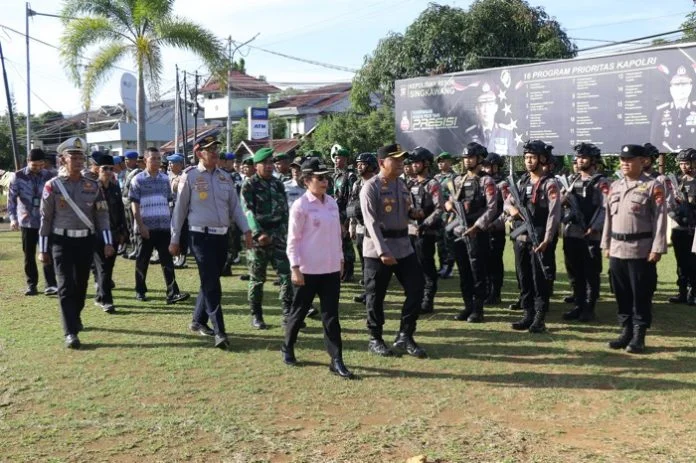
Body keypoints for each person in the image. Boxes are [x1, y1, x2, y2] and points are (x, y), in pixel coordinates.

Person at [170, 134, 251, 349]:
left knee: (210, 279)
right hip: (200, 237)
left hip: (221, 237)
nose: (215, 152)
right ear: (199, 153)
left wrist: (246, 230)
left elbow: (236, 208)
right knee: (212, 284)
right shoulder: (190, 176)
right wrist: (175, 239)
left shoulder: (225, 177)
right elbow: (179, 211)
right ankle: (220, 331)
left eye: (216, 148)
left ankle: (198, 320)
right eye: (210, 149)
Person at [38, 137, 113, 348]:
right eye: (74, 157)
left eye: (81, 157)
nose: (79, 161)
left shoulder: (93, 186)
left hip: (85, 241)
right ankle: (70, 332)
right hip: (61, 241)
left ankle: (75, 316)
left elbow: (102, 216)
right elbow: (46, 219)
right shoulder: (53, 186)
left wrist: (107, 242)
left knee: (81, 285)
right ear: (63, 159)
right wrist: (43, 249)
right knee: (65, 286)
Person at [282, 158, 354, 378]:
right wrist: (295, 267)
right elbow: (293, 240)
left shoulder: (331, 202)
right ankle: (288, 346)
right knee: (298, 312)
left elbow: (337, 235)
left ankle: (336, 359)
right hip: (307, 270)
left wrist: (340, 259)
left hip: (330, 269)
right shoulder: (301, 206)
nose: (324, 182)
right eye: (319, 178)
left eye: (326, 178)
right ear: (306, 181)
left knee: (331, 316)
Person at [360, 143, 427, 358]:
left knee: (417, 288)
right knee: (375, 296)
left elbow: (404, 210)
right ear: (382, 162)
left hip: (403, 246)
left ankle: (405, 335)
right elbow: (370, 223)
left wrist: (413, 213)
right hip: (378, 250)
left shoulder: (401, 184)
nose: (400, 163)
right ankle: (375, 338)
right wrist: (382, 251)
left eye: (401, 159)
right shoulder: (371, 187)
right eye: (395, 159)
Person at [602, 144, 668, 353]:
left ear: (643, 161)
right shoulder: (615, 186)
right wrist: (606, 244)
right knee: (620, 292)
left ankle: (639, 335)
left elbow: (660, 219)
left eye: (629, 159)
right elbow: (608, 218)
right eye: (622, 159)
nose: (625, 163)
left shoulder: (653, 186)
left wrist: (657, 248)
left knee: (641, 293)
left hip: (640, 249)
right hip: (617, 248)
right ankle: (626, 331)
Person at [505, 140, 561, 333]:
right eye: (526, 157)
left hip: (539, 239)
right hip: (521, 238)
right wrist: (511, 210)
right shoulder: (521, 182)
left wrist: (547, 239)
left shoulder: (549, 184)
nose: (528, 161)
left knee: (540, 280)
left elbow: (554, 214)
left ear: (542, 159)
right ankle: (527, 314)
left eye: (532, 157)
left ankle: (539, 317)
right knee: (524, 278)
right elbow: (507, 202)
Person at [240, 147, 294, 329]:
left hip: (278, 236)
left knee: (286, 275)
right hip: (259, 239)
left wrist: (285, 233)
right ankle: (256, 315)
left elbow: (285, 211)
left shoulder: (278, 184)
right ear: (256, 166)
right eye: (265, 163)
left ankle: (287, 314)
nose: (269, 166)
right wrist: (258, 233)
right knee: (257, 278)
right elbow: (247, 211)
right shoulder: (249, 185)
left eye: (271, 162)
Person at [445, 142, 499, 322]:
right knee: (464, 271)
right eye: (465, 158)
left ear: (479, 159)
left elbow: (492, 208)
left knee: (478, 271)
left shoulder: (486, 181)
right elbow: (450, 201)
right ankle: (467, 306)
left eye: (471, 157)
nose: (467, 161)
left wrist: (477, 226)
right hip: (460, 231)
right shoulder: (458, 181)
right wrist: (449, 205)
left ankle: (478, 309)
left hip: (477, 232)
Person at [129, 147, 189, 304]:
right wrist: (141, 225)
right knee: (142, 260)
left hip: (163, 228)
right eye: (153, 158)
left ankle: (172, 292)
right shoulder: (137, 180)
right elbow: (134, 205)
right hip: (145, 228)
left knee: (167, 260)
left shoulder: (164, 179)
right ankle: (140, 290)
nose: (156, 161)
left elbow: (169, 202)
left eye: (158, 158)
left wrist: (172, 226)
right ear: (145, 160)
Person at [560, 143, 609, 322]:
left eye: (584, 157)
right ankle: (578, 304)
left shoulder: (601, 182)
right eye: (578, 157)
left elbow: (605, 207)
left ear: (593, 160)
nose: (580, 160)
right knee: (574, 272)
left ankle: (589, 308)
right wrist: (563, 199)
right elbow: (560, 204)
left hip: (590, 234)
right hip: (571, 232)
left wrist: (594, 226)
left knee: (590, 273)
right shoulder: (572, 181)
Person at [8, 148, 58, 296]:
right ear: (28, 162)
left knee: (48, 252)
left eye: (40, 165)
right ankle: (31, 285)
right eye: (34, 165)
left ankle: (51, 284)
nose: (37, 168)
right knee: (29, 255)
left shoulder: (50, 176)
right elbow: (11, 200)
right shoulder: (17, 177)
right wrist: (13, 219)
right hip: (27, 221)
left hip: (46, 221)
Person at [407, 147, 444, 314]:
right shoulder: (411, 184)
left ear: (426, 163)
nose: (414, 165)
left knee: (426, 266)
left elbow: (439, 208)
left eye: (417, 162)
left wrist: (424, 224)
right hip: (411, 232)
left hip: (426, 233)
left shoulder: (432, 184)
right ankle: (418, 297)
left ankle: (428, 300)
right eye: (413, 162)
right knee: (413, 268)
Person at [93, 154, 127, 313]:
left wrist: (123, 231)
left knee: (109, 267)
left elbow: (120, 210)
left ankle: (100, 296)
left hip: (114, 233)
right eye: (104, 168)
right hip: (97, 234)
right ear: (97, 169)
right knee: (103, 267)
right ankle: (107, 300)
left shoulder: (114, 188)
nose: (107, 171)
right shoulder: (92, 188)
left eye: (110, 169)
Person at [348, 152, 378, 304]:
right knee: (364, 262)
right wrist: (352, 225)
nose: (359, 167)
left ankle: (373, 293)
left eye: (363, 164)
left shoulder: (378, 183)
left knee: (374, 263)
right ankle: (368, 291)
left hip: (374, 229)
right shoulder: (357, 184)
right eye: (358, 164)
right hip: (360, 228)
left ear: (371, 166)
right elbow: (352, 205)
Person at [668, 148, 696, 305]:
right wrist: (675, 215)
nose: (684, 166)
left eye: (687, 163)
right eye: (681, 163)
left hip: (694, 229)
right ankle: (682, 292)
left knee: (694, 262)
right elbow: (669, 203)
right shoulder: (676, 182)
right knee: (681, 262)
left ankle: (694, 293)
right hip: (680, 228)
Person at [480, 152, 508, 304]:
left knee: (495, 262)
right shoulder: (482, 182)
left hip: (496, 229)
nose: (486, 169)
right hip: (482, 228)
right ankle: (485, 291)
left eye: (489, 166)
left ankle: (495, 293)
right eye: (484, 166)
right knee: (483, 262)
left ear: (497, 167)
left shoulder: (502, 184)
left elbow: (507, 209)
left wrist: (495, 223)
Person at [651, 65, 696, 152]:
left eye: (684, 84)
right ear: (671, 88)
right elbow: (655, 141)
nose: (681, 88)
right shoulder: (661, 111)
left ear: (690, 87)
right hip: (668, 156)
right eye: (676, 84)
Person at [464, 82, 516, 155]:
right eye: (482, 105)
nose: (486, 110)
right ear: (477, 109)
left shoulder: (506, 132)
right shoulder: (470, 133)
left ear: (495, 108)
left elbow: (512, 157)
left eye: (490, 105)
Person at [331, 147, 358, 282]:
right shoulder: (336, 176)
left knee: (346, 243)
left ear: (345, 159)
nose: (336, 160)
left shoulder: (350, 176)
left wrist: (349, 219)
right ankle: (342, 271)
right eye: (335, 158)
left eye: (339, 158)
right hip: (336, 214)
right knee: (339, 243)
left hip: (345, 214)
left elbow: (352, 197)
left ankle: (349, 271)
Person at [434, 152, 456, 279]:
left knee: (449, 241)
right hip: (438, 214)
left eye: (443, 161)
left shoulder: (453, 177)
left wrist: (451, 216)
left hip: (449, 214)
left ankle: (449, 267)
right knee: (440, 242)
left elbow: (454, 196)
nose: (440, 163)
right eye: (439, 161)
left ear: (450, 162)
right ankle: (442, 265)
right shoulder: (436, 177)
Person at [121, 151, 142, 259]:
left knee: (136, 227)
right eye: (125, 160)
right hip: (126, 203)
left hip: (134, 203)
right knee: (130, 227)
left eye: (128, 160)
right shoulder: (126, 172)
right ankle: (134, 248)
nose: (125, 162)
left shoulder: (138, 172)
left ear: (134, 160)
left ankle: (138, 249)